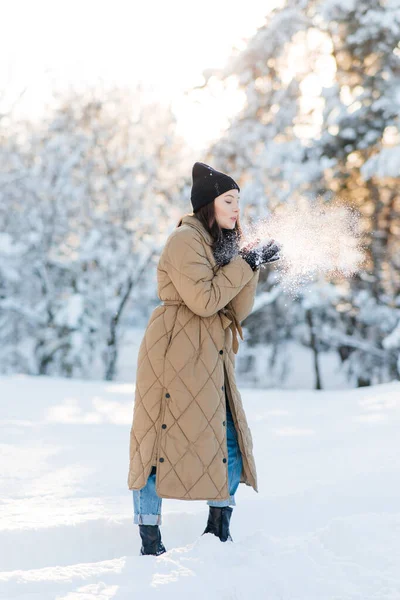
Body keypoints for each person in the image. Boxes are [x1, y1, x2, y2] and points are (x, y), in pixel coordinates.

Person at [127, 162, 281, 556]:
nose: (236, 209)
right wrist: (242, 266)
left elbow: (235, 310)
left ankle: (218, 530)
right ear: (208, 204)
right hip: (173, 347)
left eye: (238, 202)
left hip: (213, 351)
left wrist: (252, 265)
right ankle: (150, 540)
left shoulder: (221, 244)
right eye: (229, 200)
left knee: (227, 437)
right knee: (158, 439)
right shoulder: (184, 240)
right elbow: (203, 299)